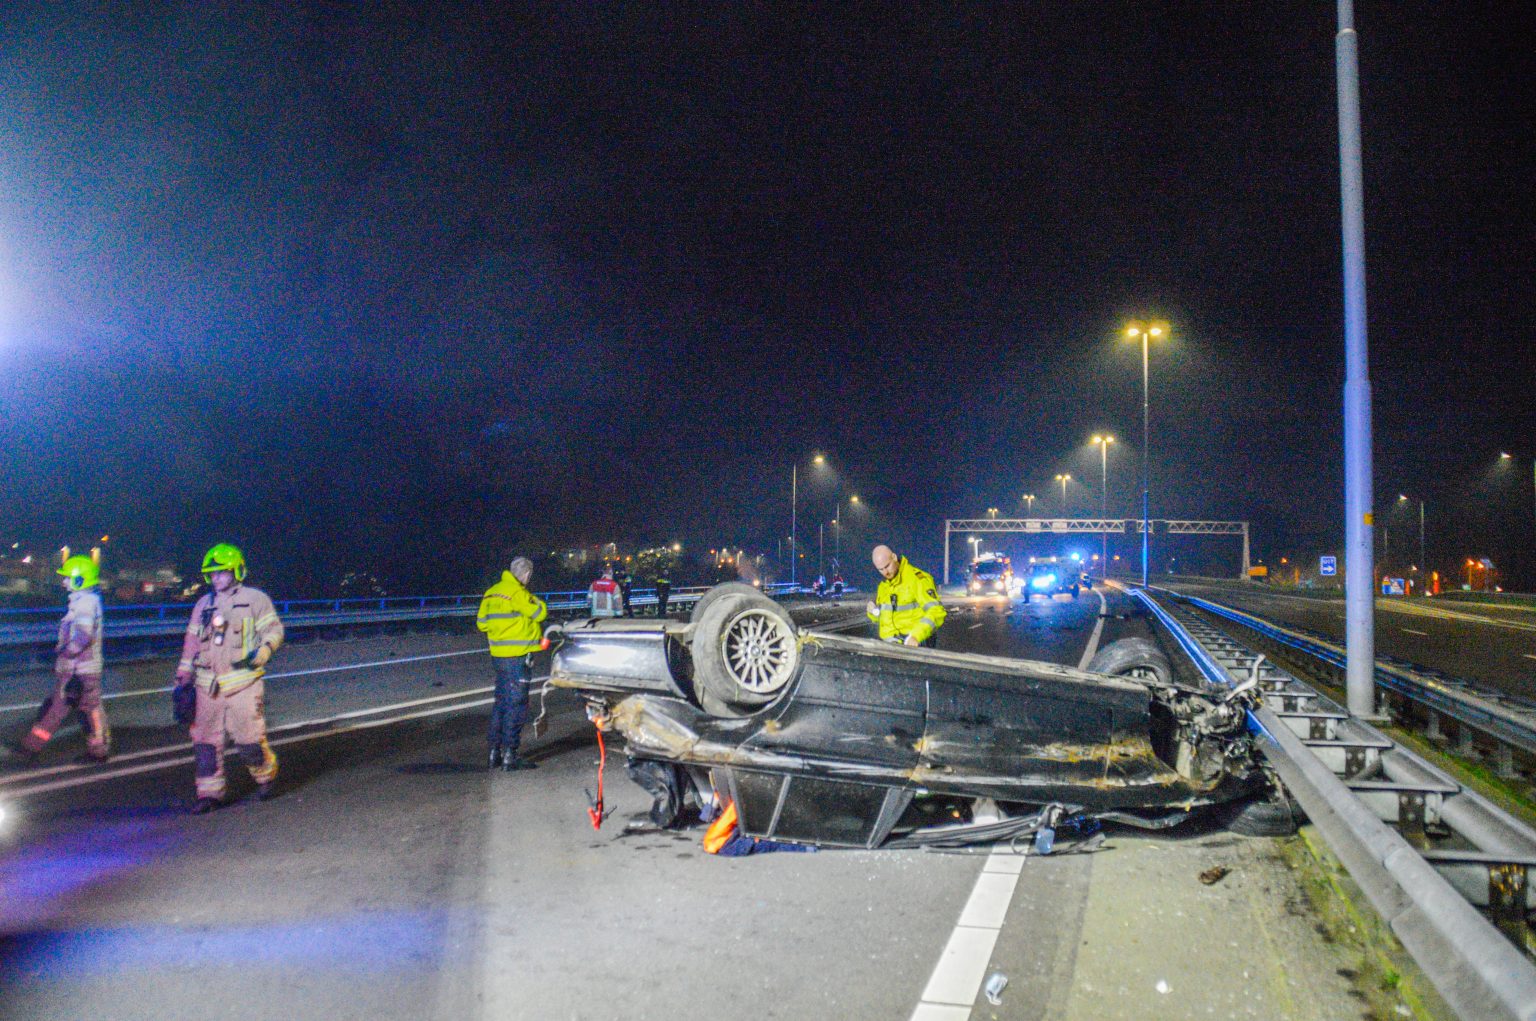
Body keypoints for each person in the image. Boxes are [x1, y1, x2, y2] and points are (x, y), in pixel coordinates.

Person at [174, 544, 285, 814]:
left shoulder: (255, 599)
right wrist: (184, 672)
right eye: (212, 574)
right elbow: (191, 642)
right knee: (205, 742)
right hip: (207, 685)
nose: (216, 579)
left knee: (248, 737)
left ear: (236, 571)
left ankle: (265, 777)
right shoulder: (203, 605)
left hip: (243, 682)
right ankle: (209, 793)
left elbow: (274, 629)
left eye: (222, 573)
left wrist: (265, 649)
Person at [19, 551, 111, 762]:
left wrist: (65, 652)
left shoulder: (85, 603)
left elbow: (83, 636)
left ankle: (98, 751)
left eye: (68, 577)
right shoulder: (82, 601)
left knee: (88, 711)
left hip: (81, 670)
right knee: (60, 708)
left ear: (80, 579)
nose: (64, 581)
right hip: (76, 669)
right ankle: (31, 747)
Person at [476, 556, 548, 771]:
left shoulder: (491, 592)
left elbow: (481, 624)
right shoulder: (519, 594)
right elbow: (540, 612)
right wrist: (533, 599)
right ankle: (510, 755)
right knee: (517, 705)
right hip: (519, 657)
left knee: (501, 703)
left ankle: (493, 753)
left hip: (498, 657)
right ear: (526, 575)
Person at [865, 544, 946, 647]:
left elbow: (936, 611)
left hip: (915, 645)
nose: (885, 572)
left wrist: (916, 636)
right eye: (880, 569)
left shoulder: (917, 579)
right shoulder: (885, 586)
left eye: (887, 566)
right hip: (891, 648)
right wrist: (872, 612)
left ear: (894, 557)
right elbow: (886, 617)